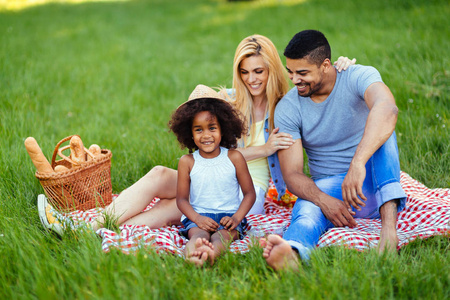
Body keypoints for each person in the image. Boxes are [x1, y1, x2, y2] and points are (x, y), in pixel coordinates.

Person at [38, 34, 355, 234]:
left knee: (182, 200)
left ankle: (83, 229)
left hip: (249, 191)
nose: (251, 79)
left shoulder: (287, 109)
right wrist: (263, 147)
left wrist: (341, 67)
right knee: (165, 182)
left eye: (259, 71)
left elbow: (325, 84)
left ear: (272, 69)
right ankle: (93, 231)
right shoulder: (231, 101)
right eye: (244, 72)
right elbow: (195, 123)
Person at [261, 30, 407, 272]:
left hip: (374, 181)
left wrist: (358, 163)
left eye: (303, 73)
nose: (295, 79)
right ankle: (293, 253)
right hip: (330, 191)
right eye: (291, 72)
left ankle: (389, 231)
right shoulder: (288, 107)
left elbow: (388, 109)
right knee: (306, 210)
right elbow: (293, 174)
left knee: (384, 130)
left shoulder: (357, 76)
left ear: (325, 65)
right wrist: (323, 200)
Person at [170, 84, 255, 266]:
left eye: (212, 128)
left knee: (222, 237)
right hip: (199, 217)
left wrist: (236, 218)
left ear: (223, 128)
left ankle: (210, 255)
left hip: (229, 218)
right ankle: (192, 254)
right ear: (190, 133)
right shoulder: (187, 161)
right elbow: (182, 200)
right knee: (198, 235)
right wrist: (197, 219)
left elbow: (249, 194)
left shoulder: (234, 157)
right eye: (198, 129)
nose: (206, 135)